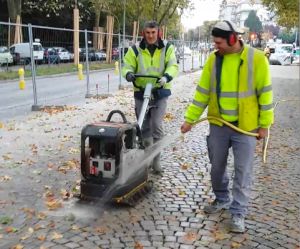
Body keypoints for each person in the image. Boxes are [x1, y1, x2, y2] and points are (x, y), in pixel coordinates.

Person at [181, 20, 274, 233]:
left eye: (219, 42)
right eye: (214, 42)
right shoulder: (213, 61)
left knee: (243, 171)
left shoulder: (257, 59)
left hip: (246, 127)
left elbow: (266, 94)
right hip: (218, 124)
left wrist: (264, 125)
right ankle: (222, 198)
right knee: (216, 168)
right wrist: (190, 120)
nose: (216, 46)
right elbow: (202, 93)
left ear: (233, 39)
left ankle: (238, 213)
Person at [122, 20, 178, 175]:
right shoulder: (135, 50)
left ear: (158, 33)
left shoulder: (167, 48)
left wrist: (166, 77)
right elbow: (127, 65)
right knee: (143, 127)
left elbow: (173, 65)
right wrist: (128, 74)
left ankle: (156, 160)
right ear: (143, 33)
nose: (151, 36)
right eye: (148, 33)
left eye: (153, 33)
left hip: (160, 91)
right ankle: (146, 158)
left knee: (156, 125)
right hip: (141, 91)